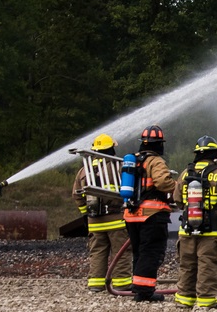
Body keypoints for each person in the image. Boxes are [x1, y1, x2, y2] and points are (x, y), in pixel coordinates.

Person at [172, 135, 217, 309]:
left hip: (187, 229)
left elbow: (177, 199)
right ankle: (206, 300)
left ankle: (184, 299)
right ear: (215, 154)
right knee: (207, 265)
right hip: (211, 232)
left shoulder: (186, 173)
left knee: (187, 265)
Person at [124, 125, 177, 302]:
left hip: (132, 215)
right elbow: (162, 182)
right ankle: (145, 292)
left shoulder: (134, 160)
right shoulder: (155, 161)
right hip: (152, 214)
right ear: (159, 144)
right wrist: (177, 187)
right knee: (151, 251)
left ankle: (138, 287)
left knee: (139, 251)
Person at [72, 134, 131, 293]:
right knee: (120, 253)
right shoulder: (118, 167)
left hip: (94, 222)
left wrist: (86, 214)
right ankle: (122, 284)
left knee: (97, 252)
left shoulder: (84, 171)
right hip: (116, 220)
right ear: (111, 148)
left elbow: (77, 195)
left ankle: (96, 284)